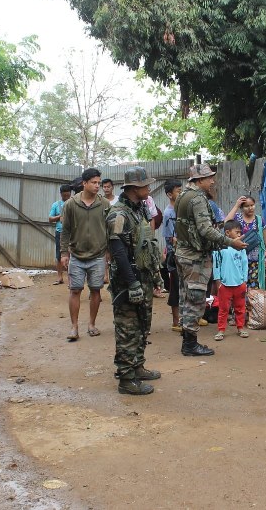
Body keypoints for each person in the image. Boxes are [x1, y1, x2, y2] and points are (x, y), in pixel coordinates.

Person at [175, 164, 247, 356]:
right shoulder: (197, 198)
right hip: (194, 257)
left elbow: (198, 226)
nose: (212, 181)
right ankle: (190, 345)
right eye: (209, 178)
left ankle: (187, 339)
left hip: (183, 253)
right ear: (199, 180)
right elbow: (205, 230)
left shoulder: (183, 195)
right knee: (196, 299)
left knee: (186, 298)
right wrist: (230, 242)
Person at [106, 167, 163, 395]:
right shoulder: (118, 214)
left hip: (144, 276)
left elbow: (148, 244)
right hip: (127, 280)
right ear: (134, 188)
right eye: (145, 185)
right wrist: (132, 283)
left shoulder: (139, 210)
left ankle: (137, 366)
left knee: (142, 325)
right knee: (127, 330)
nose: (149, 188)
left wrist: (155, 275)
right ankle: (126, 378)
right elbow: (118, 252)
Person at [60, 168, 110, 341]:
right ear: (84, 183)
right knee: (75, 291)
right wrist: (64, 253)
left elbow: (110, 230)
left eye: (99, 183)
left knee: (96, 291)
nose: (97, 186)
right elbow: (65, 231)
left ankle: (91, 324)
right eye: (94, 182)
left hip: (98, 256)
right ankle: (74, 327)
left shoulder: (104, 204)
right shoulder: (71, 204)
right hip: (76, 256)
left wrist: (109, 253)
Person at [224, 195, 266, 290]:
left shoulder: (259, 220)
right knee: (240, 286)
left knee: (255, 288)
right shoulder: (237, 218)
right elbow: (226, 222)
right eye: (247, 206)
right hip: (238, 259)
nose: (250, 208)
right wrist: (236, 205)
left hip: (256, 261)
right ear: (242, 208)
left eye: (252, 205)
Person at [212, 220, 249, 341]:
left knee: (240, 308)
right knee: (223, 309)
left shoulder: (241, 248)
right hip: (224, 284)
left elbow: (245, 264)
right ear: (227, 233)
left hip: (239, 283)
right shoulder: (219, 248)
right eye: (237, 232)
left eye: (240, 232)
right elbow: (216, 265)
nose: (239, 235)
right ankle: (221, 330)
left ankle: (240, 328)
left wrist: (244, 281)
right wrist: (218, 281)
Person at [162, 179, 182, 332]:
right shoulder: (168, 213)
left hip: (183, 253)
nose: (181, 193)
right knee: (175, 288)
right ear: (170, 194)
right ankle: (176, 321)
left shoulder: (182, 209)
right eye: (178, 191)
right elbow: (171, 238)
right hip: (174, 255)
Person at [49, 184, 72, 285]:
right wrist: (60, 216)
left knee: (72, 256)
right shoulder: (56, 205)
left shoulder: (74, 203)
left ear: (70, 193)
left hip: (73, 233)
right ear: (61, 194)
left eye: (68, 195)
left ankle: (71, 279)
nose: (66, 197)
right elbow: (50, 219)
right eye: (64, 195)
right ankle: (59, 277)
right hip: (60, 233)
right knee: (59, 255)